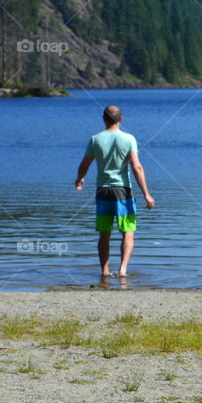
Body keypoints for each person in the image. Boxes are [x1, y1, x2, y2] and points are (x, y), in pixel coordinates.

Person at [75, 105, 155, 278]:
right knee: (128, 232)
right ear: (121, 119)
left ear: (103, 119)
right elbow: (137, 167)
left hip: (102, 191)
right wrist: (146, 194)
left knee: (104, 234)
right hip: (123, 191)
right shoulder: (129, 139)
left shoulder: (95, 139)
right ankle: (122, 270)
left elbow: (84, 164)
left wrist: (80, 178)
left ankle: (104, 271)